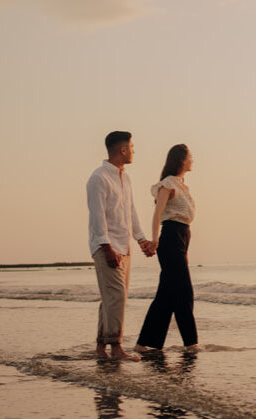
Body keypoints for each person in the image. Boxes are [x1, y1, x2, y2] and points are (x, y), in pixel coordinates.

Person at [87, 131, 155, 360]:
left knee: (111, 297)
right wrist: (107, 248)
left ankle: (101, 347)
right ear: (123, 150)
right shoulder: (98, 178)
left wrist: (142, 239)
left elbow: (131, 211)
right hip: (107, 246)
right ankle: (116, 348)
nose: (134, 151)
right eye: (132, 147)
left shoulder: (125, 178)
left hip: (124, 246)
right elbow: (98, 216)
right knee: (117, 297)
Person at [134, 143, 198, 352]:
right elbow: (158, 214)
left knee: (167, 295)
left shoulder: (182, 185)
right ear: (181, 159)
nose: (193, 160)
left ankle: (144, 344)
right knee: (184, 292)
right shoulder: (168, 184)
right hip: (170, 238)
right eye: (190, 156)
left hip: (182, 237)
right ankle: (191, 343)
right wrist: (154, 241)